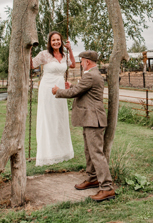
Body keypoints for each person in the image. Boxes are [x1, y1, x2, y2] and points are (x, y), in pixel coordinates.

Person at [53, 50, 116, 202]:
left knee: (96, 154)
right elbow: (83, 91)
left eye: (81, 60)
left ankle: (107, 188)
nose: (80, 63)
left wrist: (58, 91)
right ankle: (93, 178)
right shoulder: (92, 75)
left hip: (94, 120)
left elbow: (75, 92)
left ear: (87, 61)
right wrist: (72, 86)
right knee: (89, 151)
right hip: (90, 119)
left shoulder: (91, 75)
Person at [30, 32, 75, 166]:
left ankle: (62, 151)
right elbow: (32, 64)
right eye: (53, 40)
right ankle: (47, 153)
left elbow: (72, 65)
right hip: (47, 88)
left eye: (58, 40)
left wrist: (70, 49)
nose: (56, 42)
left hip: (60, 88)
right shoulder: (44, 54)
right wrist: (29, 50)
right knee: (48, 117)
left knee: (60, 118)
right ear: (49, 42)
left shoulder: (64, 55)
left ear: (61, 41)